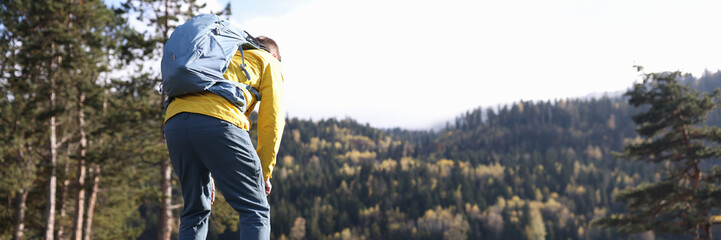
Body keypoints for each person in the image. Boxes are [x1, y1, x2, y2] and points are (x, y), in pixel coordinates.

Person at [163, 36, 285, 239]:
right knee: (255, 209)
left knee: (194, 211)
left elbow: (199, 109)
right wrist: (264, 172)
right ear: (274, 55)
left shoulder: (220, 56)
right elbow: (272, 120)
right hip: (220, 122)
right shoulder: (268, 60)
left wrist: (207, 165)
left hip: (174, 124)